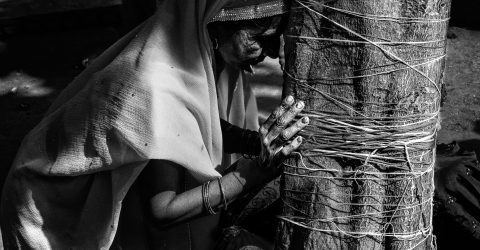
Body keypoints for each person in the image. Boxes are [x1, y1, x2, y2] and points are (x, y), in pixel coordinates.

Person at [0, 0, 310, 249]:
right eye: (258, 39)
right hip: (53, 215)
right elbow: (163, 209)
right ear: (216, 20)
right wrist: (250, 173)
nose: (268, 54)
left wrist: (253, 142)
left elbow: (192, 129)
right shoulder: (155, 88)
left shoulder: (201, 51)